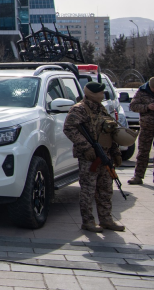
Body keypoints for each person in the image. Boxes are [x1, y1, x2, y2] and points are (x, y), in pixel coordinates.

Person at [63, 82, 125, 232]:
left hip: (105, 154)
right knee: (88, 190)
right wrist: (86, 147)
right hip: (90, 157)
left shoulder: (101, 108)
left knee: (105, 189)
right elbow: (69, 128)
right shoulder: (79, 109)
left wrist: (115, 153)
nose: (103, 95)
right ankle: (88, 221)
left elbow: (109, 131)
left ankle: (106, 219)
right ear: (93, 94)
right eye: (101, 93)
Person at [128, 76, 154, 186]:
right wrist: (147, 107)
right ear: (149, 86)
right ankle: (138, 176)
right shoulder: (142, 91)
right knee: (143, 152)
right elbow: (133, 106)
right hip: (146, 127)